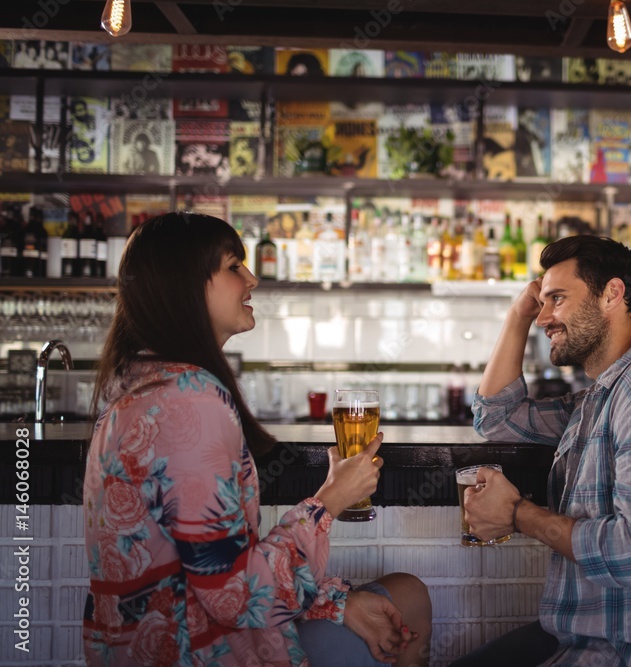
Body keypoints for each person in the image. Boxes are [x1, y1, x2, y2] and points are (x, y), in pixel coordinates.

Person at [82, 212, 431, 666]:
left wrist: (337, 603)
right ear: (186, 286)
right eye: (233, 266)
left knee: (403, 596)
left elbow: (210, 566)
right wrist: (330, 501)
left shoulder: (137, 385)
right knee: (408, 603)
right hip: (200, 651)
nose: (252, 278)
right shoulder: (191, 402)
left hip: (142, 644)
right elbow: (237, 598)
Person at [454, 235, 631, 666]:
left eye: (558, 299)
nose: (543, 317)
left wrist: (516, 513)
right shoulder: (601, 399)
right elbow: (495, 417)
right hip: (584, 635)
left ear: (612, 294)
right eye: (541, 302)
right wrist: (516, 315)